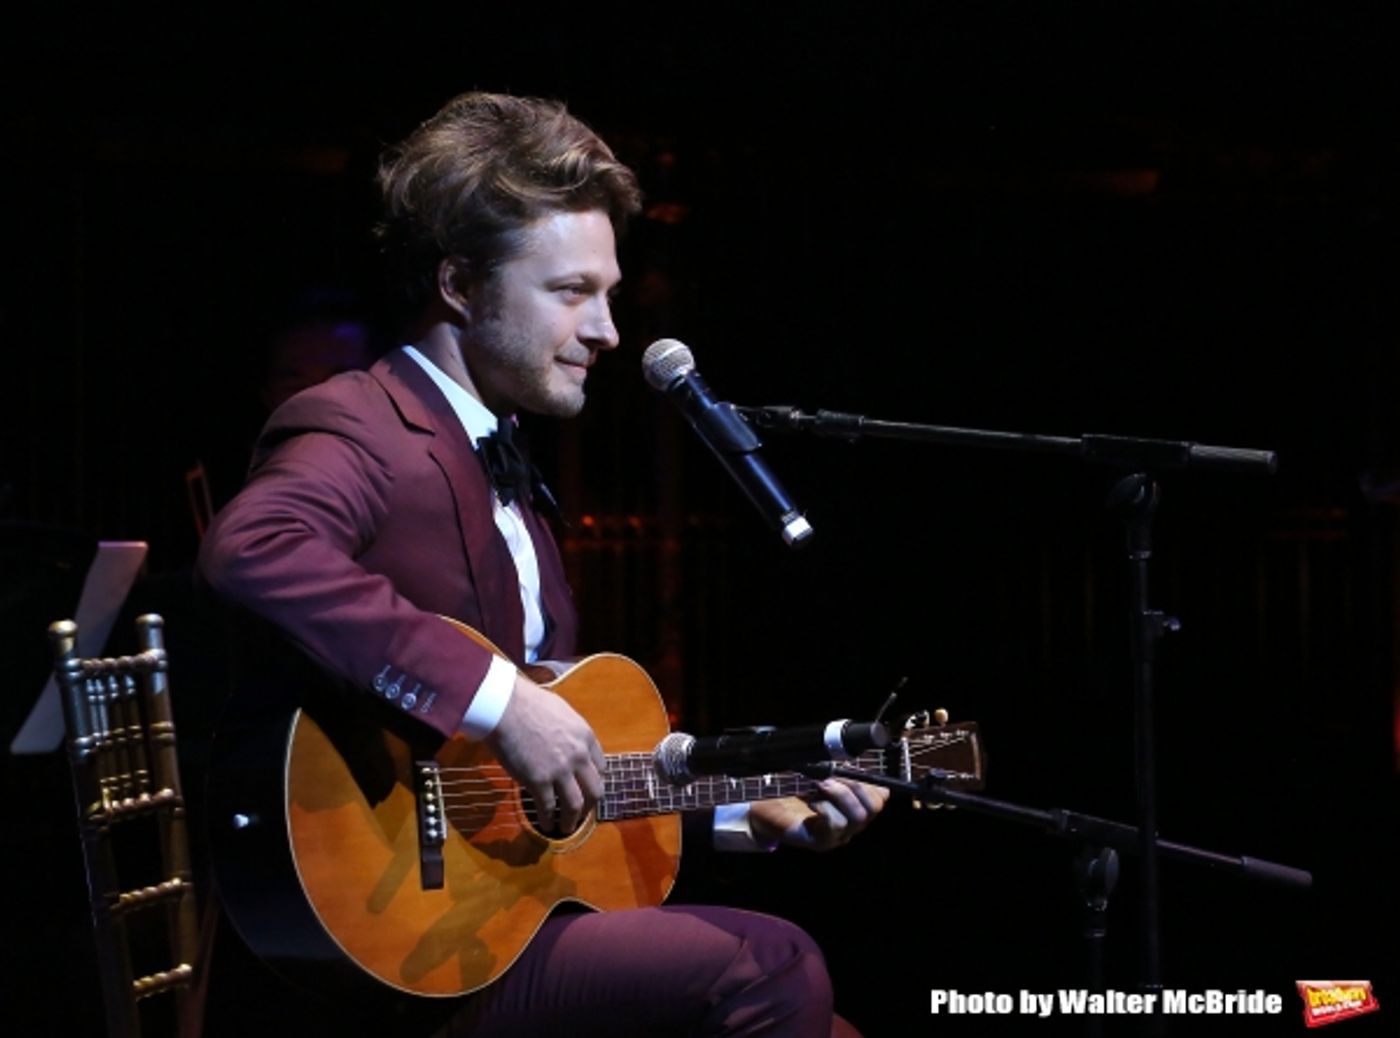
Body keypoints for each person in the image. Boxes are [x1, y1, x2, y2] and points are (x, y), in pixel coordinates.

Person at [197, 90, 887, 1036]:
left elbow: (542, 795)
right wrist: (499, 698)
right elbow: (254, 550)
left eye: (607, 292)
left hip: (498, 920)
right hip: (392, 951)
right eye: (571, 293)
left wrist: (743, 811)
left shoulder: (505, 459)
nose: (608, 330)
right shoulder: (362, 422)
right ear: (459, 286)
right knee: (768, 966)